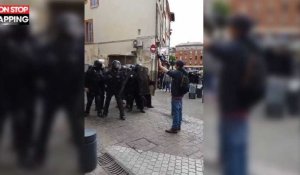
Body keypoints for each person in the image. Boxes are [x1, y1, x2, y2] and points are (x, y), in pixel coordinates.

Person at [206, 15, 266, 175]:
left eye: (231, 28)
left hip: (233, 107)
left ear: (236, 29)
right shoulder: (253, 47)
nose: (229, 31)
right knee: (239, 149)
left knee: (233, 151)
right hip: (243, 106)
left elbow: (218, 49)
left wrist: (208, 42)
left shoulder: (237, 48)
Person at [158, 60, 189, 134]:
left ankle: (174, 128)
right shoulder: (184, 72)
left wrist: (161, 66)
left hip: (176, 95)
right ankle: (178, 126)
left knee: (176, 112)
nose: (175, 65)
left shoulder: (177, 73)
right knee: (179, 111)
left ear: (177, 65)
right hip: (181, 95)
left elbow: (168, 71)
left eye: (175, 64)